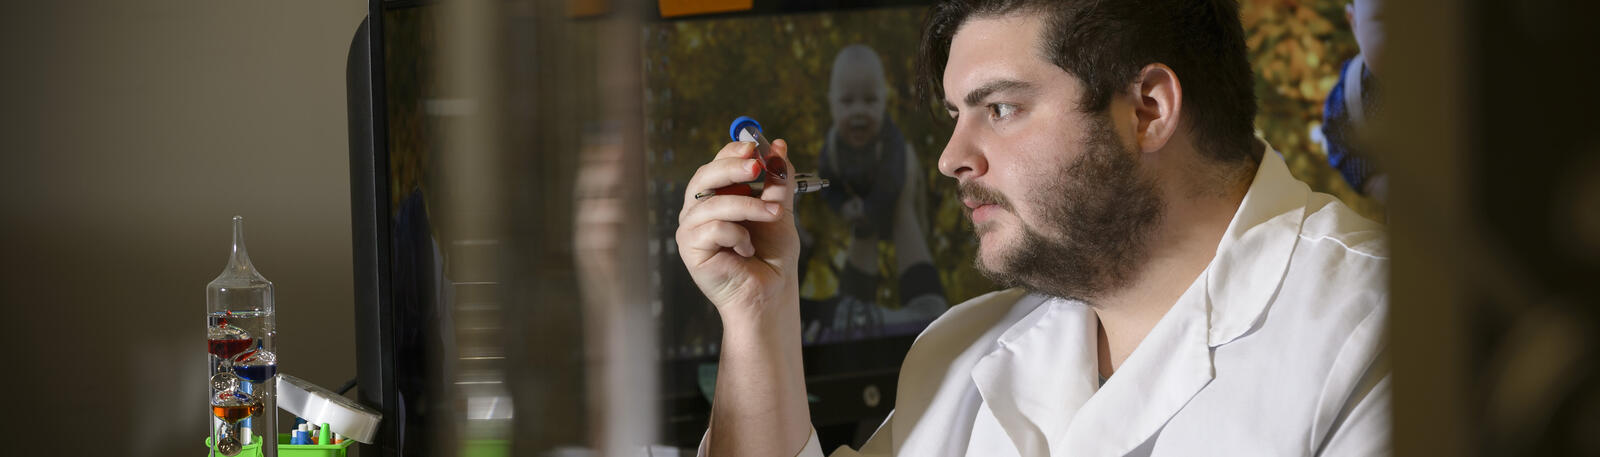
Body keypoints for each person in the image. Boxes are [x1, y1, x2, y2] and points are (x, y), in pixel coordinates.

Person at [674, 0, 1389, 455]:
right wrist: (756, 309)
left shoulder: (1380, 336)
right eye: (957, 116)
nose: (954, 158)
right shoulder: (958, 356)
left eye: (1001, 109)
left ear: (1147, 109)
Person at [798, 43, 947, 343]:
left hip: (885, 195)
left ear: (884, 102)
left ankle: (904, 221)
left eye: (869, 101)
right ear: (832, 105)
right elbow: (830, 186)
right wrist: (844, 209)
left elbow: (892, 181)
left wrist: (881, 208)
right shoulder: (832, 149)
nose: (858, 112)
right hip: (862, 201)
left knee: (909, 213)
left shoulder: (890, 142)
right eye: (847, 101)